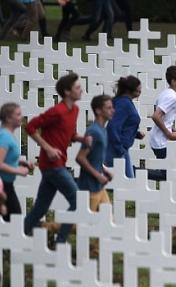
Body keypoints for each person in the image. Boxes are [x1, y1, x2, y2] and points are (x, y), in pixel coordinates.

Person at [23, 73, 91, 243]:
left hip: (57, 164)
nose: (81, 90)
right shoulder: (57, 112)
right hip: (52, 166)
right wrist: (47, 148)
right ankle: (60, 241)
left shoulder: (75, 110)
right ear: (67, 92)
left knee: (40, 208)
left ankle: (19, 236)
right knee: (78, 200)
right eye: (77, 87)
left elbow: (69, 134)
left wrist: (81, 138)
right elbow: (30, 127)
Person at [148, 65, 176, 181]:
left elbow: (164, 119)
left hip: (158, 139)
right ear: (173, 81)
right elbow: (156, 116)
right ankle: (133, 171)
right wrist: (168, 134)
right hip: (161, 141)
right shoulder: (171, 96)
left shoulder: (166, 93)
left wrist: (175, 130)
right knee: (167, 174)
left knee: (170, 172)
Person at [76, 95, 113, 212]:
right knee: (84, 220)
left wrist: (104, 170)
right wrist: (98, 176)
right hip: (89, 187)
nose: (113, 111)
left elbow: (94, 157)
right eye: (109, 108)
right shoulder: (94, 131)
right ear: (98, 110)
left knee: (107, 219)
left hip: (99, 187)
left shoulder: (103, 130)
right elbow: (80, 158)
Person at [0, 102, 34, 222]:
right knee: (15, 220)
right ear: (8, 118)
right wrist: (18, 171)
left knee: (12, 221)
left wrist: (22, 161)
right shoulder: (4, 137)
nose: (22, 117)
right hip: (3, 186)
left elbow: (7, 156)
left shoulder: (8, 135)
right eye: (18, 114)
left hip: (7, 185)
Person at [106, 75, 143, 178]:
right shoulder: (124, 104)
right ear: (131, 89)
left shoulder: (124, 102)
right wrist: (119, 149)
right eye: (139, 88)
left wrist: (136, 134)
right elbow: (113, 126)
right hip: (116, 149)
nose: (140, 90)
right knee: (126, 182)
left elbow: (124, 126)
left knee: (128, 181)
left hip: (120, 148)